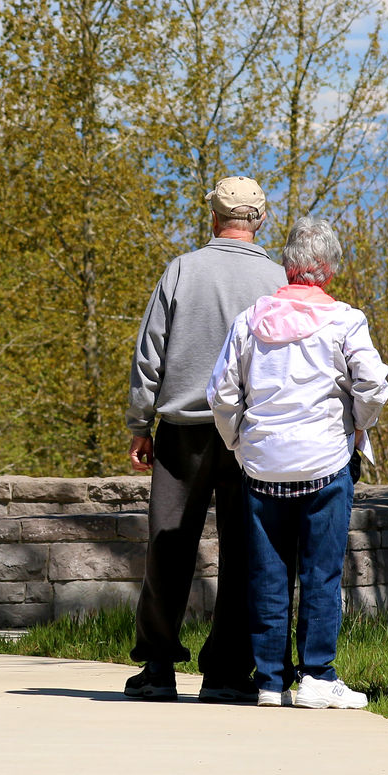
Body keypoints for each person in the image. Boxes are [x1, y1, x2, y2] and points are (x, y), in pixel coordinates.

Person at [207, 215, 388, 709]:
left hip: (263, 465)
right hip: (324, 462)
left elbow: (222, 393)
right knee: (321, 573)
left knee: (267, 575)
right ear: (328, 270)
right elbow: (373, 386)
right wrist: (357, 426)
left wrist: (239, 444)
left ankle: (269, 681)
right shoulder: (346, 320)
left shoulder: (250, 320)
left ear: (288, 267)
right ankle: (316, 676)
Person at [123, 176, 286, 703]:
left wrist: (139, 424)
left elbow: (151, 352)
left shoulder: (183, 270)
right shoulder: (279, 280)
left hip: (183, 432)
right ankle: (226, 672)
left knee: (168, 548)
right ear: (259, 220)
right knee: (246, 553)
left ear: (213, 218)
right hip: (250, 436)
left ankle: (158, 668)